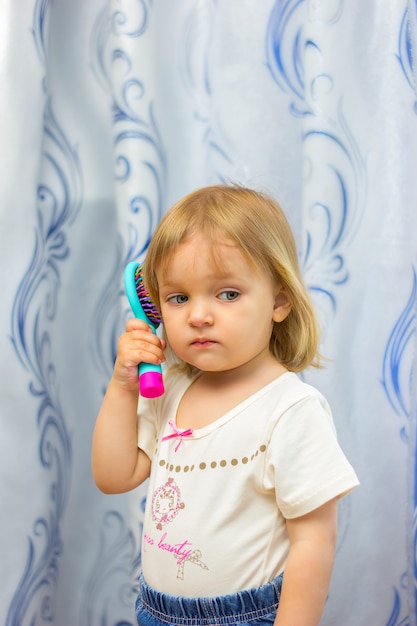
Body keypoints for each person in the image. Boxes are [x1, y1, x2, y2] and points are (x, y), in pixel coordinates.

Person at [92, 184, 359, 626]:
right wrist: (123, 387)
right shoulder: (170, 390)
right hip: (156, 611)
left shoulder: (291, 409)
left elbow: (314, 542)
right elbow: (113, 475)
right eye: (179, 298)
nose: (198, 315)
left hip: (245, 617)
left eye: (227, 294)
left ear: (279, 300)